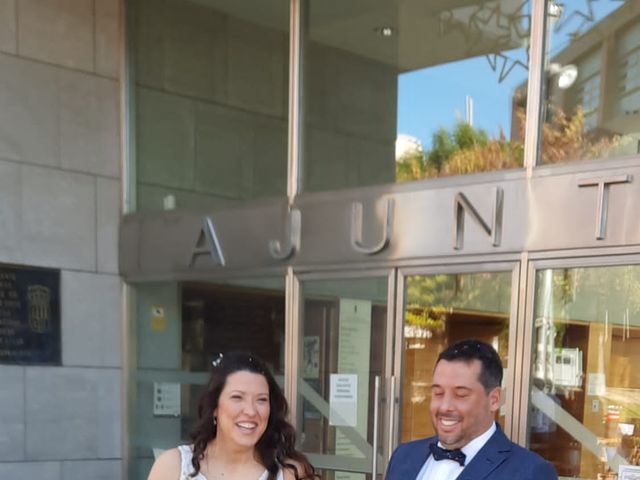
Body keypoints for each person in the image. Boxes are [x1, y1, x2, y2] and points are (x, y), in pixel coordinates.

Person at [385, 339, 558, 480]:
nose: (445, 406)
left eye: (461, 395)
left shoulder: (530, 473)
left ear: (494, 400)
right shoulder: (403, 456)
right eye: (438, 393)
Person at [148, 352, 318, 480]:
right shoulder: (174, 467)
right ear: (214, 407)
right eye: (237, 397)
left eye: (261, 400)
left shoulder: (290, 473)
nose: (251, 411)